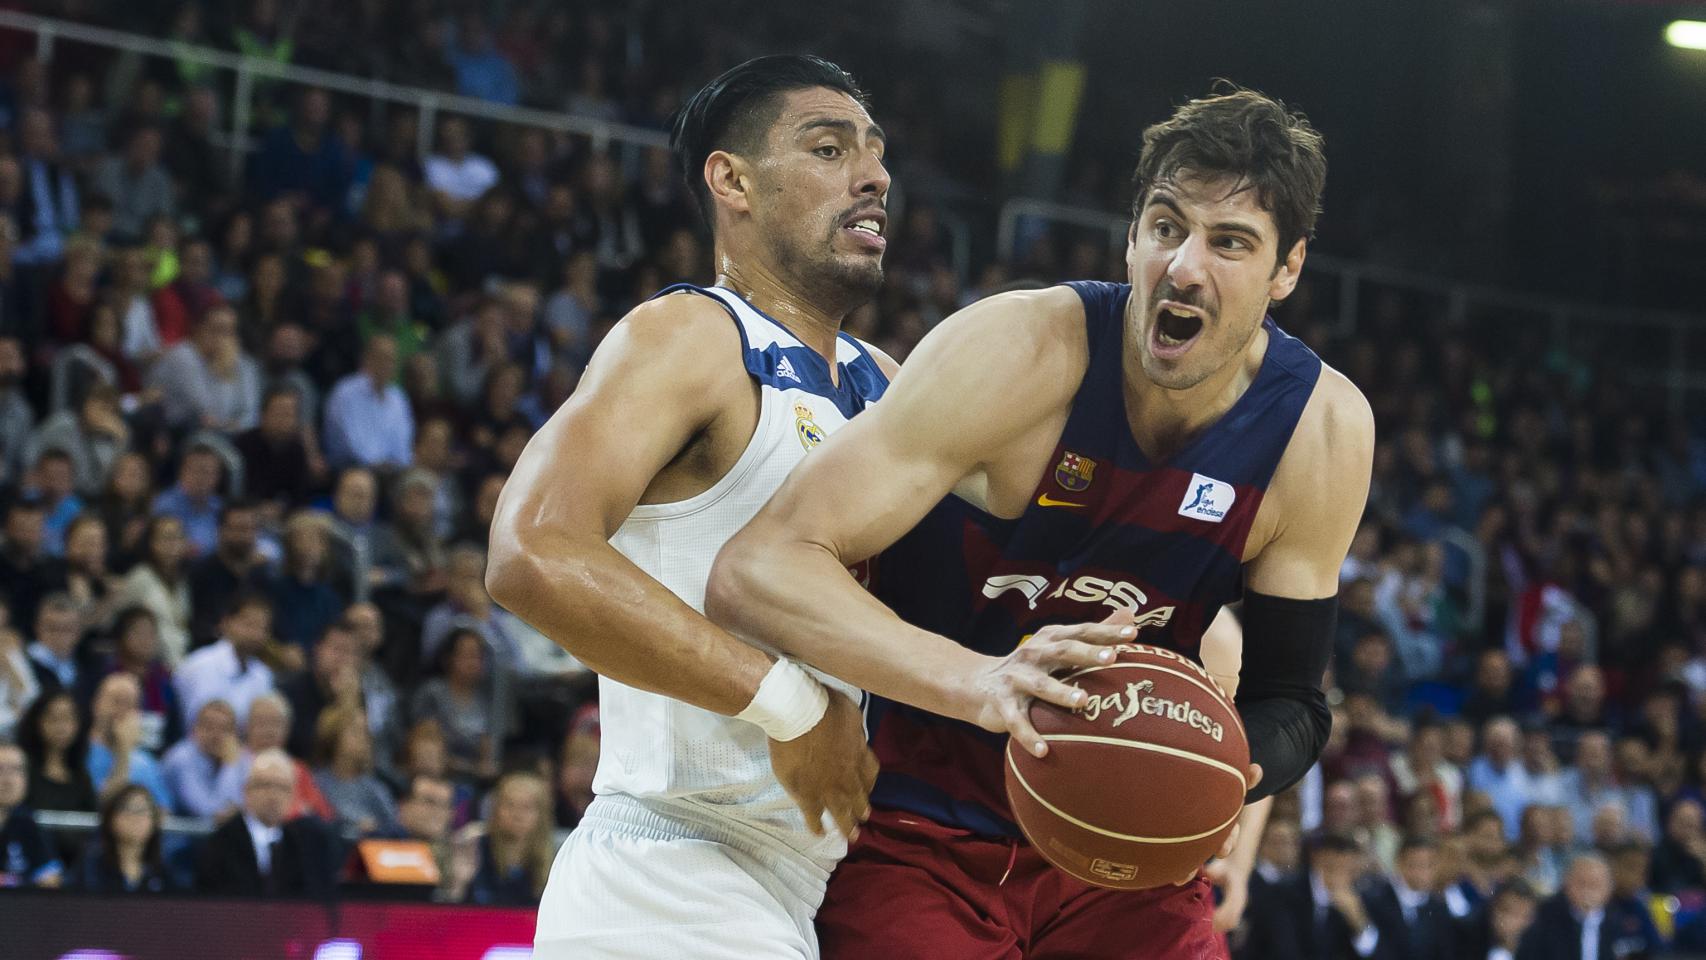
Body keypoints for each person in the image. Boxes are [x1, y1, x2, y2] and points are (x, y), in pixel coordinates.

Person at [710, 85, 1371, 958]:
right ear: (1131, 234)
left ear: (1287, 270)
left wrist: (1216, 773)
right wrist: (982, 683)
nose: (1184, 267)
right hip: (922, 826)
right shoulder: (1017, 351)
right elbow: (755, 570)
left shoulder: (1319, 431)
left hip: (1121, 862)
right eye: (1166, 227)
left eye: (1232, 243)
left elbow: (1290, 702)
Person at [486, 56, 963, 959]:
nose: (874, 176)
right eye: (830, 149)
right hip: (669, 878)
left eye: (877, 156)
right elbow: (530, 551)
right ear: (731, 179)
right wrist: (793, 707)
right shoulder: (692, 338)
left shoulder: (893, 389)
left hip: (805, 886)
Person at [195, 748, 336, 898]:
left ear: (292, 796)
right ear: (247, 791)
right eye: (265, 785)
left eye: (282, 787)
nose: (273, 795)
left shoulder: (305, 845)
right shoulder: (221, 843)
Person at [444, 770, 551, 906]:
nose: (517, 815)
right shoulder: (474, 847)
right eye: (509, 805)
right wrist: (457, 884)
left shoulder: (556, 859)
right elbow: (451, 906)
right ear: (495, 809)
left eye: (527, 807)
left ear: (541, 816)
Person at [173, 592, 277, 727]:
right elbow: (197, 725)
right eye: (249, 624)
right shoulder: (200, 665)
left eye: (262, 628)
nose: (255, 634)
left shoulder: (263, 675)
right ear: (226, 622)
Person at [310, 703, 398, 837]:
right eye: (356, 731)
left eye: (366, 733)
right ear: (334, 736)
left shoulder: (375, 789)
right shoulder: (315, 784)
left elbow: (394, 831)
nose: (364, 739)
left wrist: (374, 830)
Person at [86, 672, 172, 808]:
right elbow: (97, 806)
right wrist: (123, 754)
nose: (122, 710)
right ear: (96, 704)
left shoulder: (146, 761)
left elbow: (163, 811)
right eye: (116, 701)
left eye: (130, 704)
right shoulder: (79, 752)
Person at [1515, 854, 1622, 960]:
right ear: (1566, 884)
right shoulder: (1545, 917)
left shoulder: (1619, 921)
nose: (1587, 891)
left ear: (1609, 888)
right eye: (1581, 883)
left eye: (1595, 884)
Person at [74, 783, 174, 893]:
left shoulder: (162, 870)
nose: (136, 818)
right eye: (127, 808)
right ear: (110, 817)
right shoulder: (91, 863)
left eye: (143, 810)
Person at [161, 699, 245, 818]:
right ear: (195, 729)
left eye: (224, 728)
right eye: (209, 726)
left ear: (234, 734)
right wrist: (229, 766)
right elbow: (206, 811)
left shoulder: (240, 759)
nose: (216, 734)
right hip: (180, 834)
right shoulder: (180, 758)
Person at [18, 688, 97, 813]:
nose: (62, 727)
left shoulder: (81, 776)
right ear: (36, 721)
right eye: (53, 718)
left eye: (68, 718)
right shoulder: (21, 768)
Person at [0, 741, 62, 887]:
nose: (9, 780)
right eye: (0, 769)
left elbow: (51, 881)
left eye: (17, 770)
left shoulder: (27, 822)